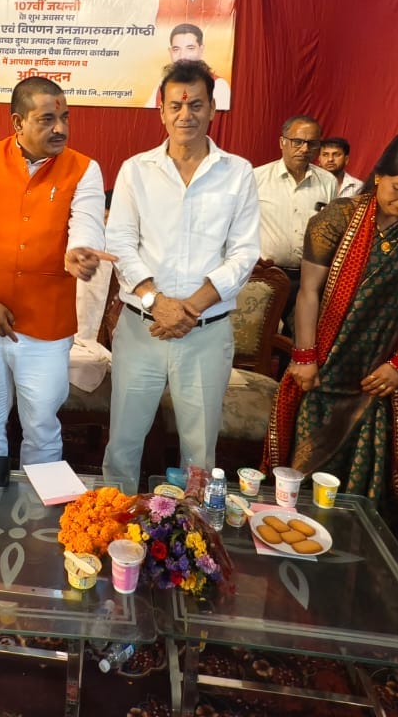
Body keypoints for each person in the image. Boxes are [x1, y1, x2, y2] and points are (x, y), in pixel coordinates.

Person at [264, 133, 398, 500]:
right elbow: (308, 291)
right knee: (306, 462)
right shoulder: (338, 218)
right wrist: (304, 355)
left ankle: (356, 529)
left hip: (380, 374)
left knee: (366, 473)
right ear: (379, 176)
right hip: (324, 364)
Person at [103, 61, 260, 493]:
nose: (185, 114)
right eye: (176, 105)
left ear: (212, 109)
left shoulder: (237, 173)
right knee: (123, 444)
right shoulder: (136, 170)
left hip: (205, 332)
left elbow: (244, 253)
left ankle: (192, 529)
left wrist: (188, 309)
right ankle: (113, 523)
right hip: (141, 329)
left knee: (199, 451)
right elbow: (120, 242)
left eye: (196, 105)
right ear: (161, 110)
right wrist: (157, 302)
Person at [0, 77, 109, 468]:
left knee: (42, 428)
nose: (61, 128)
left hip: (47, 326)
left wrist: (79, 252)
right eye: (47, 119)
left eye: (65, 118)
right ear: (18, 122)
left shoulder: (85, 169)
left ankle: (39, 505)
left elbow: (86, 226)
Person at [254, 115, 338, 329]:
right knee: (259, 337)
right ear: (282, 142)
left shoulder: (327, 182)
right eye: (297, 142)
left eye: (312, 143)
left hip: (309, 280)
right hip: (264, 277)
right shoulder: (256, 178)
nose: (304, 149)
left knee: (300, 337)